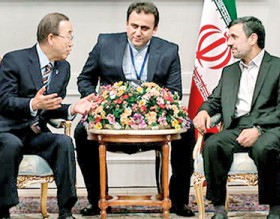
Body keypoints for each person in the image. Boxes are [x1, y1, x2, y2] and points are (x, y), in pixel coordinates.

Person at [74, 1, 195, 217]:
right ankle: (97, 199)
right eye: (133, 26)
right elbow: (85, 78)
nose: (137, 33)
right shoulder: (105, 42)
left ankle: (178, 200)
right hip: (112, 116)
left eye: (145, 28)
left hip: (152, 120)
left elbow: (174, 91)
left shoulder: (169, 50)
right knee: (81, 133)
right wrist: (91, 100)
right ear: (126, 23)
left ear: (155, 29)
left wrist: (158, 104)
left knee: (188, 131)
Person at [193, 16, 280, 219]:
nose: (228, 42)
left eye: (233, 36)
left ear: (252, 38)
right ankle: (219, 209)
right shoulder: (229, 72)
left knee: (264, 147)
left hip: (274, 129)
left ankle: (275, 210)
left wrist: (258, 130)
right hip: (238, 128)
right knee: (214, 143)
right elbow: (214, 100)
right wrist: (204, 111)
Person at [0, 13, 95, 219]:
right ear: (51, 38)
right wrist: (33, 103)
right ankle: (3, 210)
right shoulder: (14, 60)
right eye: (68, 36)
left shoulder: (63, 68)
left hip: (34, 133)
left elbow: (51, 106)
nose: (71, 43)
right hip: (7, 130)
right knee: (11, 145)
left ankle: (66, 211)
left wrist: (73, 108)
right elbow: (4, 101)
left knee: (63, 142)